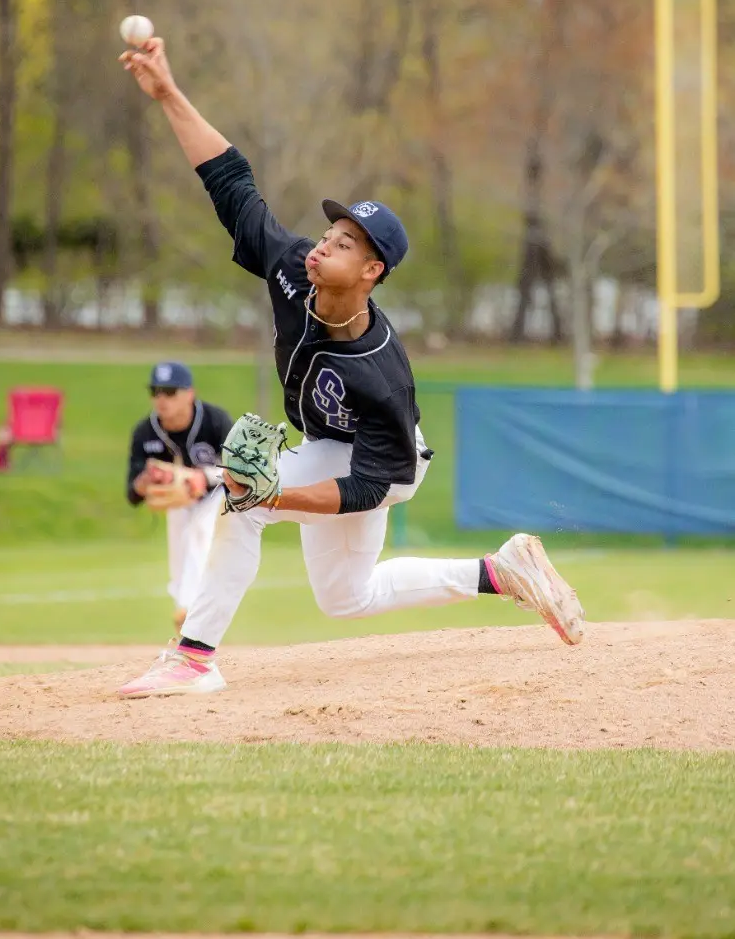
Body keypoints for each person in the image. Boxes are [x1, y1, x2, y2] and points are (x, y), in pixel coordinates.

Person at [118, 37, 585, 698]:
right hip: (326, 449)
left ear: (371, 272)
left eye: (343, 244)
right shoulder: (290, 269)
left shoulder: (379, 370)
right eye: (328, 234)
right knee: (345, 597)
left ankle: (194, 657)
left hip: (384, 464)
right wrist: (167, 92)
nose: (323, 245)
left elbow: (370, 486)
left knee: (242, 503)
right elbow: (231, 182)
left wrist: (272, 493)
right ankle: (499, 570)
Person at [127, 360, 233, 629]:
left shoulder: (215, 420)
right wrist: (147, 480)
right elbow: (132, 493)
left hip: (216, 495)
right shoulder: (145, 432)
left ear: (189, 393)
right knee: (180, 550)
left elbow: (240, 471)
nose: (162, 399)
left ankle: (187, 607)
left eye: (170, 392)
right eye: (156, 391)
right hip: (179, 501)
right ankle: (184, 609)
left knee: (199, 531)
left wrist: (204, 476)